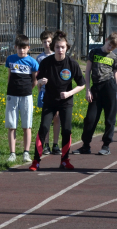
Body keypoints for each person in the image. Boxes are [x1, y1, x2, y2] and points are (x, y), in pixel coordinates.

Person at [29, 31, 86, 171]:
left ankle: (65, 160)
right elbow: (38, 80)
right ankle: (36, 161)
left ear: (66, 48)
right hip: (50, 100)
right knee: (44, 127)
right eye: (57, 47)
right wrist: (41, 82)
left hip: (66, 101)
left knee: (66, 129)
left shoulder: (72, 63)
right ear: (53, 48)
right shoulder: (46, 62)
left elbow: (82, 84)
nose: (60, 50)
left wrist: (69, 93)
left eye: (62, 47)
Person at [73, 32, 117, 156]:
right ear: (106, 40)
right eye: (110, 44)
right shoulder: (94, 52)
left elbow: (116, 76)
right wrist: (88, 90)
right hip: (96, 88)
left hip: (110, 87)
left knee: (110, 118)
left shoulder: (114, 58)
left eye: (113, 47)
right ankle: (85, 145)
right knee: (90, 118)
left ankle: (106, 145)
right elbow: (88, 71)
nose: (110, 48)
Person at [5, 35, 38, 163]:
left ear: (28, 48)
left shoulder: (32, 62)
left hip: (26, 96)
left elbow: (34, 80)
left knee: (27, 125)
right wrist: (10, 90)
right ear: (15, 47)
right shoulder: (10, 59)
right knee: (12, 125)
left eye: (24, 48)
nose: (21, 51)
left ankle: (26, 152)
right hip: (12, 95)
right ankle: (12, 153)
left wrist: (28, 90)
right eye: (19, 48)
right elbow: (9, 76)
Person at [36, 30, 60, 155]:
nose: (46, 44)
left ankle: (55, 144)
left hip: (56, 92)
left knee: (56, 117)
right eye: (44, 41)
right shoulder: (39, 58)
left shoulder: (56, 55)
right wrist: (40, 89)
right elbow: (37, 77)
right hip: (45, 93)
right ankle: (46, 144)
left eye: (49, 41)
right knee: (46, 119)